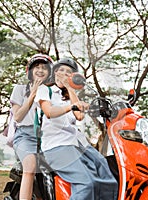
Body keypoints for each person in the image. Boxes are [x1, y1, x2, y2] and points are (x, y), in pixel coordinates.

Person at [35, 58, 118, 199]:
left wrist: (70, 89)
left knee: (109, 178)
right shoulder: (45, 90)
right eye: (61, 70)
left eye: (69, 72)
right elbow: (49, 112)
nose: (64, 74)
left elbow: (79, 116)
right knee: (86, 183)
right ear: (55, 72)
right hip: (57, 145)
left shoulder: (69, 96)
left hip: (79, 144)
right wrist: (71, 106)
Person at [10, 53, 53, 200]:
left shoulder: (51, 92)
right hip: (25, 135)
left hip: (47, 136)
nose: (40, 70)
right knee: (30, 166)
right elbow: (17, 116)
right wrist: (32, 95)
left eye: (44, 68)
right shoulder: (20, 89)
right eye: (37, 67)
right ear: (30, 70)